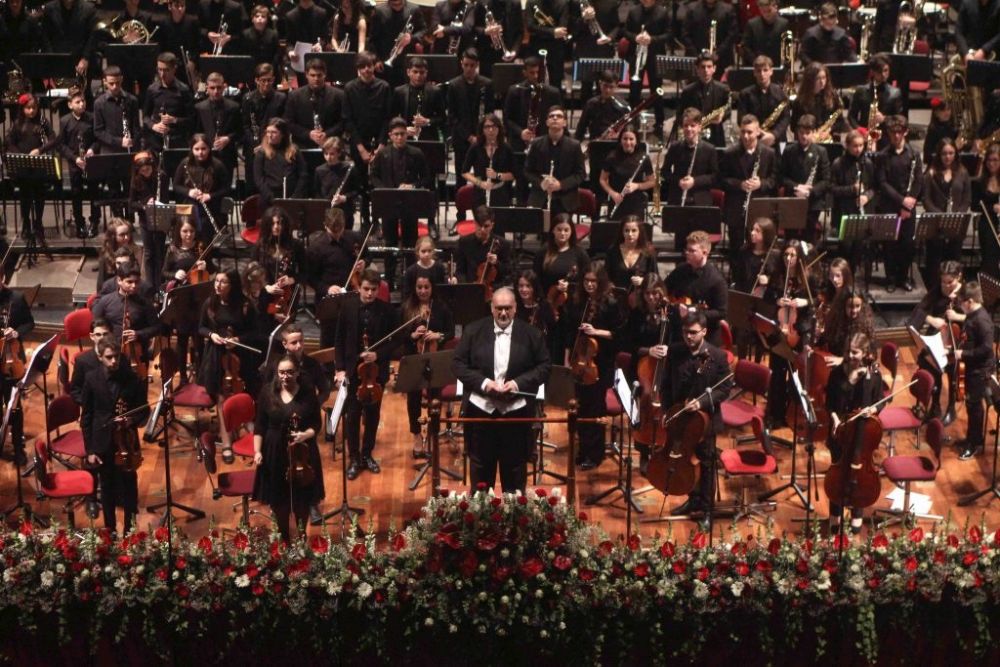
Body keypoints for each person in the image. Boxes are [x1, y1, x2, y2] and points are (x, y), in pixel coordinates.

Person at [452, 287, 551, 492]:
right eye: (499, 308)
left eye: (507, 308)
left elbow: (544, 367)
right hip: (481, 412)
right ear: (491, 308)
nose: (503, 313)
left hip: (515, 415)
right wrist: (484, 383)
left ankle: (513, 521)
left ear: (515, 308)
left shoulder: (532, 334)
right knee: (480, 476)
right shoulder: (473, 331)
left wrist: (517, 384)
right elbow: (458, 364)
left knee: (514, 476)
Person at [661, 310, 734, 517]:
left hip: (705, 420)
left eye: (693, 333)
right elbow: (666, 385)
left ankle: (707, 508)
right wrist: (667, 410)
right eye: (685, 332)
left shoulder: (717, 356)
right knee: (686, 459)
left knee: (706, 461)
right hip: (680, 416)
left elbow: (724, 388)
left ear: (704, 331)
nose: (688, 337)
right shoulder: (675, 352)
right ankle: (692, 500)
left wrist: (701, 403)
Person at [335, 269, 402, 479]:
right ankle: (354, 457)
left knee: (373, 415)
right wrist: (339, 368)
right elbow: (339, 340)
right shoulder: (347, 307)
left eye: (374, 290)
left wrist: (378, 354)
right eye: (366, 289)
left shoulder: (387, 310)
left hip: (375, 373)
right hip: (352, 371)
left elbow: (395, 342)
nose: (370, 294)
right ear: (359, 287)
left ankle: (367, 454)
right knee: (353, 415)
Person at [81, 339, 150, 536]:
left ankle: (130, 528)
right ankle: (110, 529)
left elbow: (143, 410)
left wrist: (130, 420)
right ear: (101, 358)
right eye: (109, 358)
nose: (114, 361)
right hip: (102, 440)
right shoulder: (91, 379)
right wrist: (90, 450)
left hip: (126, 441)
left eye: (116, 357)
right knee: (107, 485)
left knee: (129, 484)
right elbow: (86, 416)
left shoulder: (132, 378)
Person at [252, 354, 323, 542]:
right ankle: (284, 537)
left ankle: (301, 536)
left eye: (290, 372)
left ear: (298, 372)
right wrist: (257, 451)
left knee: (303, 498)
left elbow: (316, 424)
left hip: (303, 453)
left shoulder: (308, 392)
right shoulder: (267, 393)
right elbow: (260, 426)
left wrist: (305, 435)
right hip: (274, 451)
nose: (285, 376)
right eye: (281, 373)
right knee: (278, 499)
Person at [563, 266, 621, 470]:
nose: (589, 284)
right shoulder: (577, 301)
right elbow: (569, 332)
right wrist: (568, 359)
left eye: (594, 281)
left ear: (601, 283)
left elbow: (617, 335)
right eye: (586, 280)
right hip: (580, 362)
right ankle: (583, 450)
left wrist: (596, 332)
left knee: (595, 407)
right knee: (579, 406)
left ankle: (595, 454)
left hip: (600, 363)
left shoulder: (610, 303)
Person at [825, 332, 883, 534]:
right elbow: (831, 404)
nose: (850, 355)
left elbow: (881, 400)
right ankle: (835, 515)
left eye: (855, 352)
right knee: (838, 474)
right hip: (840, 430)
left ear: (866, 353)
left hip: (863, 436)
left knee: (860, 468)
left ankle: (858, 514)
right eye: (848, 351)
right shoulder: (838, 373)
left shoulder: (874, 375)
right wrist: (849, 382)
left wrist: (873, 409)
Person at [199, 269, 257, 458]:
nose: (218, 285)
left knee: (242, 394)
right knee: (221, 397)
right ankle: (225, 441)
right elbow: (201, 327)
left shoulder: (245, 305)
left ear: (232, 285)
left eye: (223, 282)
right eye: (216, 281)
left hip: (239, 356)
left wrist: (238, 339)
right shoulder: (210, 303)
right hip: (216, 356)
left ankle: (248, 428)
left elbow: (256, 333)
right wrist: (212, 335)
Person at [370, 117, 429, 288]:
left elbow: (426, 178)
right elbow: (373, 176)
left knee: (411, 242)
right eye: (396, 134)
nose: (400, 137)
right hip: (389, 201)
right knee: (390, 243)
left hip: (410, 202)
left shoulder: (416, 153)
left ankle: (410, 279)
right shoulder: (383, 153)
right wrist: (385, 190)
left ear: (407, 134)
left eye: (403, 134)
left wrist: (413, 186)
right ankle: (389, 279)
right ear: (390, 135)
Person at [763, 241, 817, 427]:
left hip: (798, 332)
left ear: (799, 257)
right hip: (780, 331)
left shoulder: (808, 278)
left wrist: (805, 302)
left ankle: (792, 414)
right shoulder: (777, 277)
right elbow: (767, 300)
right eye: (786, 255)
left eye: (792, 255)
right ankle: (775, 415)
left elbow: (815, 302)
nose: (788, 258)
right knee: (777, 374)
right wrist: (777, 301)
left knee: (796, 376)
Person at [401, 275, 454, 457]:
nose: (423, 291)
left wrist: (438, 335)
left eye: (426, 287)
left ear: (432, 288)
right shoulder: (407, 308)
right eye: (419, 287)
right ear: (414, 288)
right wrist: (413, 335)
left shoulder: (441, 307)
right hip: (414, 358)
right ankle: (416, 435)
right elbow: (400, 335)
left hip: (434, 358)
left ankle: (432, 434)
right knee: (413, 399)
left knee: (435, 399)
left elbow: (451, 332)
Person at [907, 261, 963, 419]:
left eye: (950, 282)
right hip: (938, 335)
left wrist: (958, 316)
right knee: (928, 360)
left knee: (951, 365)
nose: (946, 286)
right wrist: (932, 320)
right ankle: (935, 405)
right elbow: (920, 309)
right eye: (943, 282)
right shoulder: (939, 290)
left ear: (959, 277)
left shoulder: (967, 293)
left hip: (959, 338)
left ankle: (951, 406)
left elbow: (977, 317)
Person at [163, 218, 216, 382]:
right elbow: (163, 273)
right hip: (182, 299)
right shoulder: (173, 249)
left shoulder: (201, 249)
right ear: (179, 231)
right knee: (182, 339)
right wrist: (174, 274)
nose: (188, 235)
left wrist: (207, 267)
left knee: (198, 338)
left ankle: (200, 375)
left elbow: (214, 270)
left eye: (191, 231)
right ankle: (183, 378)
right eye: (185, 231)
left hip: (199, 298)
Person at [343, 51, 393, 226]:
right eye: (362, 67)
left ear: (374, 67)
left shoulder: (384, 87)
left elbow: (387, 118)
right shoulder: (349, 88)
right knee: (362, 183)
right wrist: (361, 149)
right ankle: (365, 219)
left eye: (369, 66)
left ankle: (379, 218)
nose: (366, 70)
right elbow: (348, 120)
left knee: (379, 182)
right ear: (358, 69)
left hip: (379, 142)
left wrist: (381, 144)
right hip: (359, 143)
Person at [875, 114, 923, 292]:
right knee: (889, 244)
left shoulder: (914, 154)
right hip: (890, 205)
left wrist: (908, 203)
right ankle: (891, 278)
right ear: (888, 133)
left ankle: (903, 277)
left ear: (905, 132)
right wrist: (901, 200)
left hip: (908, 209)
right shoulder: (883, 155)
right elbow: (882, 183)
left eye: (899, 132)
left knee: (907, 245)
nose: (896, 136)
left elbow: (918, 181)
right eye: (892, 132)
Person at [718, 114, 778, 256]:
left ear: (758, 132)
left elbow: (774, 180)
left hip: (759, 208)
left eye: (749, 132)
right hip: (736, 209)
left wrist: (760, 184)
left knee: (758, 249)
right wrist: (740, 185)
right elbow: (721, 180)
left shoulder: (768, 153)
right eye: (743, 131)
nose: (745, 136)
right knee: (736, 250)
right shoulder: (730, 153)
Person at [950, 281, 996, 460]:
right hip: (971, 366)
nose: (960, 305)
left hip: (980, 370)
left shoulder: (982, 320)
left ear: (969, 301)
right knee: (970, 405)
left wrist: (964, 353)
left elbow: (986, 348)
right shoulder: (971, 314)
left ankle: (976, 443)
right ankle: (971, 438)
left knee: (975, 407)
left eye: (962, 302)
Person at [307, 208, 365, 349]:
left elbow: (367, 254)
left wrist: (364, 263)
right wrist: (327, 288)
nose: (337, 235)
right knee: (329, 339)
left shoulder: (354, 238)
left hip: (352, 293)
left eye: (340, 231)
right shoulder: (316, 247)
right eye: (333, 232)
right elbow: (309, 277)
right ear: (325, 226)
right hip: (328, 299)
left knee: (353, 335)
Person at [42, 88, 95, 238]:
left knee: (93, 191)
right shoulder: (65, 121)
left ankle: (94, 222)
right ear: (70, 105)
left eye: (83, 101)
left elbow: (97, 139)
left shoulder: (91, 118)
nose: (82, 104)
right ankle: (80, 224)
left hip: (90, 161)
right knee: (76, 193)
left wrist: (92, 149)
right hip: (75, 163)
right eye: (78, 102)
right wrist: (74, 158)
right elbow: (61, 145)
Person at [92, 262, 160, 371]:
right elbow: (95, 325)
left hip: (138, 354)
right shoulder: (105, 301)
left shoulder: (145, 303)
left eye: (137, 282)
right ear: (119, 281)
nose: (134, 286)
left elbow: (157, 327)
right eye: (129, 282)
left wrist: (138, 334)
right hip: (112, 354)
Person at [923, 138, 972, 285]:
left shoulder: (963, 172)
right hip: (936, 223)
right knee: (934, 261)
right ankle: (934, 292)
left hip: (956, 224)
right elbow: (926, 200)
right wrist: (941, 217)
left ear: (956, 154)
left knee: (954, 259)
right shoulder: (931, 173)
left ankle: (953, 293)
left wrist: (956, 215)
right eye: (944, 153)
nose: (948, 157)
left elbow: (967, 199)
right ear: (939, 154)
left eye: (951, 153)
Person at [665, 230, 728, 346]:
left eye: (692, 251)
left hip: (705, 337)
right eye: (687, 250)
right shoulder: (681, 270)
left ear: (705, 253)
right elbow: (665, 289)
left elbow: (721, 312)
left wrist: (696, 313)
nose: (687, 253)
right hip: (679, 332)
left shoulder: (716, 280)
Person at [829, 130, 876, 273]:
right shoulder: (838, 164)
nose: (859, 149)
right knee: (846, 249)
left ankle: (853, 277)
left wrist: (866, 196)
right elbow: (831, 189)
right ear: (847, 146)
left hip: (861, 212)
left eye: (861, 145)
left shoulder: (866, 163)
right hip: (843, 212)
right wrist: (852, 189)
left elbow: (874, 187)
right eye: (855, 146)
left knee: (858, 248)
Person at [780, 115, 830, 244]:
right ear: (797, 132)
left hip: (812, 203)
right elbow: (781, 177)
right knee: (790, 238)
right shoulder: (789, 151)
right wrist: (796, 187)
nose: (804, 136)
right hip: (792, 199)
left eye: (808, 133)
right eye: (801, 133)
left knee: (808, 240)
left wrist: (810, 192)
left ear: (814, 133)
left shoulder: (821, 152)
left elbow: (826, 180)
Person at [0, 277, 34, 465]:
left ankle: (18, 447)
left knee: (15, 407)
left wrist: (16, 333)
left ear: (3, 278)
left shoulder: (17, 298)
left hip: (12, 361)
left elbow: (30, 323)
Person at [173, 134, 231, 241]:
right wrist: (189, 192)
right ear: (192, 149)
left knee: (204, 231)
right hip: (189, 207)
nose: (200, 152)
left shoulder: (217, 165)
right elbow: (176, 186)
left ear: (209, 148)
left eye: (204, 149)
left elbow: (227, 188)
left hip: (211, 208)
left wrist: (210, 196)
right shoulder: (185, 163)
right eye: (197, 149)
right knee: (185, 229)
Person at [622, 0, 669, 134]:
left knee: (656, 90)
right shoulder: (633, 12)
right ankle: (632, 122)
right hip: (636, 55)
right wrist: (635, 37)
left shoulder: (663, 12)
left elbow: (669, 34)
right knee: (634, 90)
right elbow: (625, 31)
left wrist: (652, 40)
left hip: (654, 56)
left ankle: (659, 123)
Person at [5, 94, 48, 241]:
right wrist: (20, 155)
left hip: (38, 166)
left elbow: (53, 140)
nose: (31, 111)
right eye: (28, 108)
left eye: (34, 108)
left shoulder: (42, 122)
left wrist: (40, 150)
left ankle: (38, 223)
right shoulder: (17, 124)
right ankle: (26, 224)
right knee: (25, 196)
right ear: (22, 109)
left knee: (39, 195)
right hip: (23, 167)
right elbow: (9, 143)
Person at [241, 63, 287, 194]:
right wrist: (256, 143)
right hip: (253, 147)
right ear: (256, 80)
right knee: (252, 185)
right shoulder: (247, 98)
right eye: (263, 80)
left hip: (274, 145)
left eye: (270, 80)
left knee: (272, 183)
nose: (266, 84)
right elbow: (245, 125)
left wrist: (266, 144)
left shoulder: (281, 98)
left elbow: (282, 124)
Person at [254, 206, 304, 321]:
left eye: (279, 223)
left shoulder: (296, 246)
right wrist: (266, 286)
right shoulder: (260, 246)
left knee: (286, 330)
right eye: (272, 224)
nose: (276, 227)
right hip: (265, 296)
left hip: (288, 296)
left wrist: (292, 279)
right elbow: (252, 272)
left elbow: (305, 272)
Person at [502, 56, 562, 152]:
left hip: (545, 142)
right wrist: (521, 132)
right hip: (520, 142)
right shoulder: (514, 91)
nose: (536, 76)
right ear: (524, 73)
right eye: (532, 73)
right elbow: (507, 119)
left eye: (538, 72)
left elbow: (560, 117)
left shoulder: (552, 93)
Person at [533, 214, 591, 312]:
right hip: (548, 303)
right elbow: (536, 278)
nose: (562, 233)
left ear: (571, 231)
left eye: (566, 230)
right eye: (559, 230)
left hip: (573, 304)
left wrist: (570, 286)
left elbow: (587, 279)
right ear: (553, 230)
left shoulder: (580, 253)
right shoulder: (543, 252)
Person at [448, 49, 493, 174]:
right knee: (461, 175)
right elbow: (452, 116)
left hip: (482, 138)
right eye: (466, 65)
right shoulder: (454, 85)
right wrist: (468, 136)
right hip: (461, 138)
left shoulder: (487, 84)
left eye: (472, 65)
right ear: (461, 64)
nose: (468, 68)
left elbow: (490, 113)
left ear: (477, 65)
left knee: (482, 175)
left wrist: (481, 135)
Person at [283, 57, 345, 149]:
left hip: (332, 146)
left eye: (319, 75)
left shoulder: (338, 95)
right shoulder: (294, 96)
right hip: (303, 146)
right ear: (306, 75)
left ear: (325, 75)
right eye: (312, 75)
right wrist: (308, 134)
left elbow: (344, 121)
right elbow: (288, 122)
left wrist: (327, 134)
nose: (316, 78)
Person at [662, 108, 717, 210]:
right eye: (686, 125)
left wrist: (694, 181)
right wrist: (678, 181)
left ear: (699, 127)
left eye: (693, 125)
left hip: (701, 202)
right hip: (677, 199)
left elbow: (715, 177)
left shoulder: (709, 149)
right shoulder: (675, 147)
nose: (689, 129)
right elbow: (664, 172)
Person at [847, 53, 904, 153]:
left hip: (886, 138)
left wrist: (885, 119)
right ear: (872, 72)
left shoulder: (895, 93)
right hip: (864, 137)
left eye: (886, 71)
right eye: (879, 71)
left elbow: (900, 119)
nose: (883, 75)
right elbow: (851, 116)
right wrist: (860, 130)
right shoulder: (861, 91)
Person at [128, 152, 170, 283]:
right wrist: (144, 206)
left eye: (148, 169)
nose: (146, 172)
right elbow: (132, 203)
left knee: (159, 253)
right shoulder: (136, 179)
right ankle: (150, 285)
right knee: (148, 253)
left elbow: (166, 198)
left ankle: (159, 283)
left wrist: (158, 202)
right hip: (145, 219)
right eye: (142, 170)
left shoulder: (161, 177)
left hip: (160, 217)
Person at [674, 54, 730, 148]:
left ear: (714, 69)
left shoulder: (723, 89)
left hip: (716, 135)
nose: (706, 70)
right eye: (702, 67)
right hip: (694, 135)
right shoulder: (688, 91)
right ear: (697, 69)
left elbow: (728, 109)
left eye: (709, 67)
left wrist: (722, 115)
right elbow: (680, 114)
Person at [461, 114, 516, 210]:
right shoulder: (475, 147)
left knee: (499, 223)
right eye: (487, 127)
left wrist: (497, 175)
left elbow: (513, 174)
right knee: (481, 223)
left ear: (499, 129)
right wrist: (480, 183)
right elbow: (464, 172)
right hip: (480, 193)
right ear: (482, 129)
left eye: (494, 126)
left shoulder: (506, 148)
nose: (491, 130)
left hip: (500, 194)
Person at [143, 52, 195, 153]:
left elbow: (192, 120)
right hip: (155, 140)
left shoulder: (183, 90)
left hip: (177, 140)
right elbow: (145, 117)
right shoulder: (152, 89)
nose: (162, 74)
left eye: (166, 70)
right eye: (160, 69)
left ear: (174, 69)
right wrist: (154, 126)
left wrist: (174, 120)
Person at [599, 128, 655, 220]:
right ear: (620, 140)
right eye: (625, 139)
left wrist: (637, 186)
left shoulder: (644, 157)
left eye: (631, 139)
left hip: (636, 203)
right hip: (617, 200)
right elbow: (602, 179)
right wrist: (613, 194)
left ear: (636, 141)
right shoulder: (612, 157)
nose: (628, 142)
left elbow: (652, 182)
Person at [253, 118, 308, 209]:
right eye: (268, 132)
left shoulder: (294, 150)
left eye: (274, 132)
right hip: (269, 200)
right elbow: (259, 179)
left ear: (282, 134)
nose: (269, 135)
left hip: (292, 198)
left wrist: (295, 196)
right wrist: (272, 198)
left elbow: (303, 175)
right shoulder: (261, 153)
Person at [369, 0, 426, 87]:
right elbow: (373, 39)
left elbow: (423, 30)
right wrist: (376, 60)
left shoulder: (414, 9)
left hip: (407, 62)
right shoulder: (379, 11)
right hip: (384, 61)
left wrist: (411, 38)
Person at [737, 55, 790, 149]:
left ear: (771, 71)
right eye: (758, 71)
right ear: (754, 73)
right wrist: (759, 132)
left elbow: (785, 118)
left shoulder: (781, 93)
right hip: (753, 139)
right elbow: (742, 118)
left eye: (765, 70)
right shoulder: (745, 94)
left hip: (777, 140)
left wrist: (773, 135)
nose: (762, 74)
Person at [194, 72, 242, 173]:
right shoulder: (199, 107)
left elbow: (240, 131)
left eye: (219, 87)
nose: (216, 91)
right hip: (205, 156)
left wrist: (228, 138)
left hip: (227, 156)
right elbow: (195, 132)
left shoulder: (234, 107)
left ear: (224, 87)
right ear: (207, 87)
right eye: (212, 88)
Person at [454, 206, 513, 285]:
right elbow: (460, 271)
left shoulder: (503, 244)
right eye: (479, 225)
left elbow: (508, 272)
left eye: (486, 226)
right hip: (470, 287)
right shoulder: (464, 242)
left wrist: (497, 263)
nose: (482, 229)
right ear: (474, 223)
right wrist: (466, 287)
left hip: (494, 290)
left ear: (492, 225)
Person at [791, 63, 847, 144]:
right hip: (807, 141)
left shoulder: (832, 96)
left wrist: (829, 130)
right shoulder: (800, 101)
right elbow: (794, 126)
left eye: (824, 78)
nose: (822, 82)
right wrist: (807, 134)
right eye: (818, 78)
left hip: (828, 138)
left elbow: (840, 121)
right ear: (810, 80)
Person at [391, 57, 445, 141]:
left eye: (422, 72)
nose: (418, 75)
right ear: (408, 72)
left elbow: (443, 118)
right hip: (406, 139)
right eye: (415, 72)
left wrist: (428, 121)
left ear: (426, 73)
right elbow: (392, 118)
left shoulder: (435, 91)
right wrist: (403, 129)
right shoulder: (399, 92)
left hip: (428, 139)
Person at [681, 0, 739, 72]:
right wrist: (697, 55)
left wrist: (718, 53)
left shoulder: (728, 9)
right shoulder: (692, 9)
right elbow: (685, 34)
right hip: (697, 59)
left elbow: (732, 35)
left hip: (722, 60)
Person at [313, 136, 360, 224]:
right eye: (326, 154)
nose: (328, 157)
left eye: (332, 154)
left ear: (339, 153)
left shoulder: (349, 169)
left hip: (345, 212)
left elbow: (357, 190)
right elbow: (317, 193)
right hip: (326, 212)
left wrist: (344, 198)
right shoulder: (319, 170)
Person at [604, 215, 658, 291]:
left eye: (634, 230)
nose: (630, 234)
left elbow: (655, 278)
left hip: (640, 297)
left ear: (640, 232)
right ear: (622, 232)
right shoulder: (613, 251)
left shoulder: (648, 252)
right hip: (617, 297)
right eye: (626, 230)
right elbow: (606, 277)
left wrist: (643, 281)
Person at [524, 0, 569, 89]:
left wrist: (541, 31)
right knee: (535, 81)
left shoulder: (562, 3)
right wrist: (552, 32)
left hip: (555, 50)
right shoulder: (531, 3)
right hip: (536, 48)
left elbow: (562, 30)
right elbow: (530, 27)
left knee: (556, 83)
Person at [576, 71, 625, 142]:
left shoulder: (623, 106)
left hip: (615, 146)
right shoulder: (591, 104)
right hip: (595, 144)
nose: (607, 90)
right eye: (605, 86)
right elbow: (581, 129)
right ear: (600, 83)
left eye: (611, 87)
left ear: (616, 86)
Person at [731, 217, 777, 294]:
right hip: (744, 293)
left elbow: (777, 281)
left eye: (757, 231)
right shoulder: (744, 251)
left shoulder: (774, 255)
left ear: (767, 234)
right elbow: (738, 277)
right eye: (752, 229)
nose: (752, 233)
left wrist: (768, 281)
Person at [974, 143, 1000, 276]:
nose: (991, 163)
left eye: (995, 160)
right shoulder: (980, 181)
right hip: (988, 224)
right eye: (989, 160)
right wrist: (992, 208)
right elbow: (975, 205)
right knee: (989, 259)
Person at [97, 219, 141, 289]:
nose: (126, 237)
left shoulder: (135, 251)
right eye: (122, 235)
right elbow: (100, 286)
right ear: (113, 237)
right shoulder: (105, 257)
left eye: (128, 233)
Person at [740, 0, 788, 64]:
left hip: (777, 64)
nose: (766, 14)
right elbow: (745, 46)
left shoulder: (784, 24)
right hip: (756, 65)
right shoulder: (751, 24)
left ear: (775, 8)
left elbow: (787, 46)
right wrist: (755, 60)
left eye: (769, 11)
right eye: (763, 11)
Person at [239, 5, 281, 71]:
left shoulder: (273, 34)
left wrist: (270, 68)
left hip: (269, 69)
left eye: (263, 16)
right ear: (252, 19)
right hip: (250, 69)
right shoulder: (245, 34)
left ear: (267, 20)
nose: (260, 18)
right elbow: (243, 54)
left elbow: (277, 54)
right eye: (257, 16)